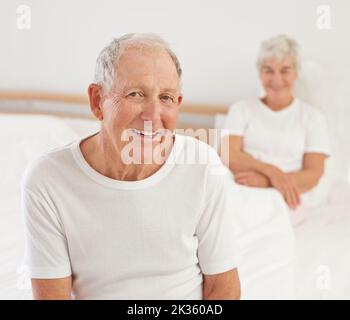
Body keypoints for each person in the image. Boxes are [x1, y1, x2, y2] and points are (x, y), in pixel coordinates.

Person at [21, 33, 240, 300]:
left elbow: (223, 287)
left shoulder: (203, 165)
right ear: (97, 101)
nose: (153, 115)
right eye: (136, 94)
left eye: (166, 98)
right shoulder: (48, 179)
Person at [221, 34, 331, 213]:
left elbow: (313, 174)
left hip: (288, 195)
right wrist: (271, 171)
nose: (276, 79)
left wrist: (267, 182)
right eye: (268, 70)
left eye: (285, 70)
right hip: (242, 188)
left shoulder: (313, 117)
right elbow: (228, 155)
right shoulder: (241, 109)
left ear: (296, 73)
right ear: (260, 73)